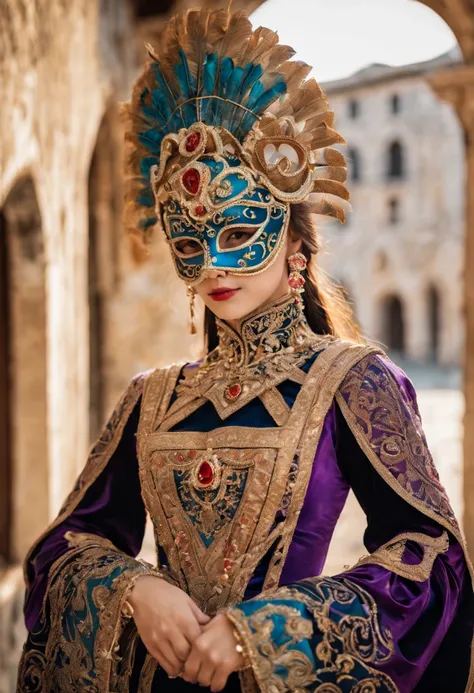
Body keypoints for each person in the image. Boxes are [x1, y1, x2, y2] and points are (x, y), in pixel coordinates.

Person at [17, 6, 473, 693]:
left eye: (238, 233)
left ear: (293, 238)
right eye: (192, 243)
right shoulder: (151, 396)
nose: (214, 266)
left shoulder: (354, 382)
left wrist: (268, 631)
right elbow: (61, 548)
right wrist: (134, 590)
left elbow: (430, 559)